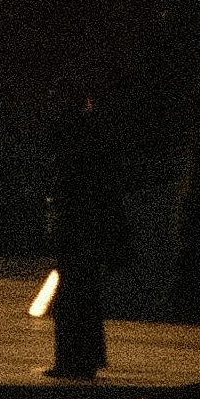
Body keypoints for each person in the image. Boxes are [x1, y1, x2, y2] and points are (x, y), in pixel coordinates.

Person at [43, 98, 131, 383]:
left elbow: (75, 190)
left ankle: (73, 359)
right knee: (83, 295)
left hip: (78, 230)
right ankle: (84, 358)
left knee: (74, 297)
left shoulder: (76, 145)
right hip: (86, 231)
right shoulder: (92, 141)